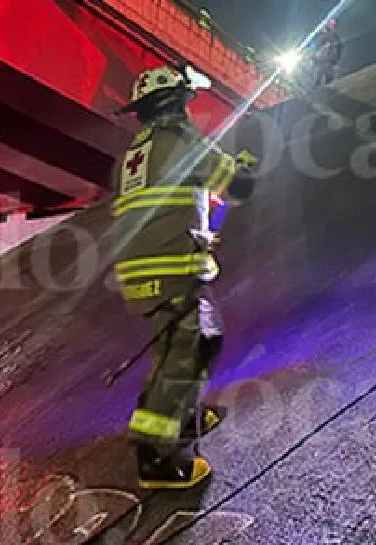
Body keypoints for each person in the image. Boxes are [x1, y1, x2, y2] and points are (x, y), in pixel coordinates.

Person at [113, 64, 257, 490]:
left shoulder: (137, 153)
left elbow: (166, 205)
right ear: (177, 103)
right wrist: (244, 166)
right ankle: (157, 458)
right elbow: (237, 187)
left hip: (145, 266)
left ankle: (187, 417)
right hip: (169, 267)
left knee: (184, 346)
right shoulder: (179, 138)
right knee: (187, 353)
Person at [312, 19, 342, 88]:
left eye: (333, 24)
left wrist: (335, 60)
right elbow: (315, 48)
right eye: (331, 24)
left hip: (328, 61)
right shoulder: (320, 35)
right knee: (317, 79)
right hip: (320, 61)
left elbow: (338, 46)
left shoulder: (334, 35)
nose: (332, 25)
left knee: (329, 78)